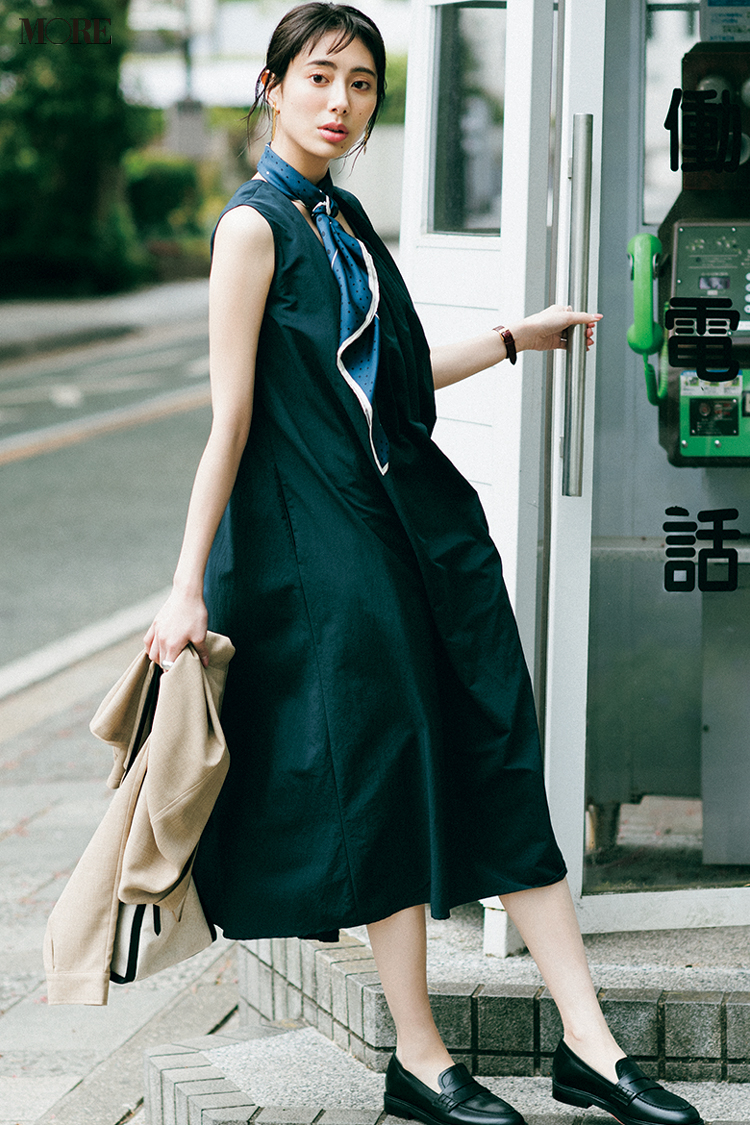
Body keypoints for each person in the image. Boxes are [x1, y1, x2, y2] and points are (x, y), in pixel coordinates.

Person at [145, 6, 702, 1125]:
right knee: (391, 776)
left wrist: (513, 337)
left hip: (419, 534)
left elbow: (392, 383)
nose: (341, 101)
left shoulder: (346, 220)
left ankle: (588, 1046)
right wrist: (185, 581)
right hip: (330, 553)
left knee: (498, 751)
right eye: (319, 77)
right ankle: (421, 1054)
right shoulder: (255, 230)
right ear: (271, 86)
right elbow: (233, 420)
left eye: (360, 84)